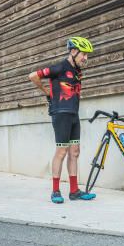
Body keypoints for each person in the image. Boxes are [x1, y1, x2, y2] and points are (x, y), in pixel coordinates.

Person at [28, 37, 97, 204]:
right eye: (84, 55)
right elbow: (33, 76)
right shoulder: (59, 68)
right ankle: (55, 191)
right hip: (60, 114)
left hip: (73, 114)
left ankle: (74, 191)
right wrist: (46, 91)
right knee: (61, 152)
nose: (85, 58)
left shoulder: (77, 71)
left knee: (75, 152)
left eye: (87, 55)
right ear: (73, 51)